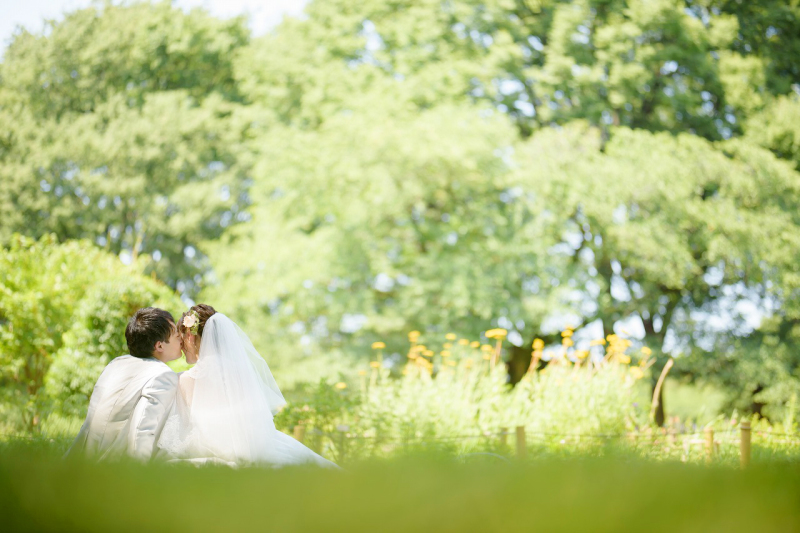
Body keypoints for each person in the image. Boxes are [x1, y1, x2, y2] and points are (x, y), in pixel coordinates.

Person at [157, 304, 338, 468]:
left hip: (218, 449)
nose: (181, 348)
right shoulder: (238, 371)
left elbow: (188, 426)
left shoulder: (186, 379)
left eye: (181, 338)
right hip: (258, 445)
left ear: (190, 336)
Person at [66, 307, 181, 461]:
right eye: (175, 333)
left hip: (83, 458)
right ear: (159, 346)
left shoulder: (116, 364)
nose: (181, 336)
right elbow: (142, 430)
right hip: (114, 468)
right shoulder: (162, 375)